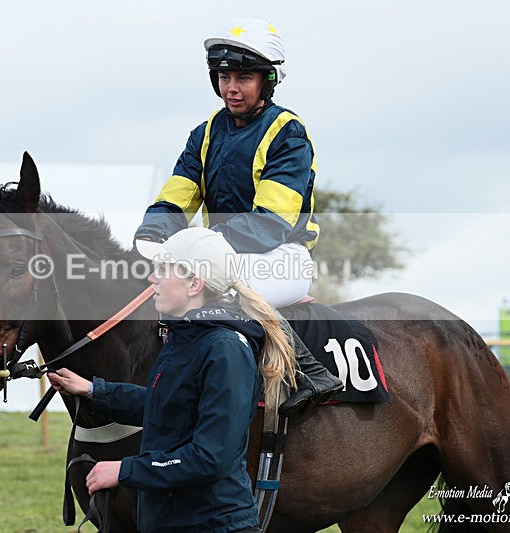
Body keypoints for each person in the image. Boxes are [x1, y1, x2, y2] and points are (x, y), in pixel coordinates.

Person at [134, 18, 341, 415]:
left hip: (279, 256)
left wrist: (194, 250)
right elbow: (178, 193)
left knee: (215, 296)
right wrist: (151, 235)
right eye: (224, 76)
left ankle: (310, 373)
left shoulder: (287, 132)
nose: (231, 88)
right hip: (219, 255)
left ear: (268, 81)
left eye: (243, 77)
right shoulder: (205, 132)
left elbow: (270, 222)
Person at [49, 227, 295, 533]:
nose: (152, 279)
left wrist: (125, 470)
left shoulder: (225, 350)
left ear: (194, 283)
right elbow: (165, 407)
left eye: (163, 270)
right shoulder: (182, 338)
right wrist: (92, 390)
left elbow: (210, 458)